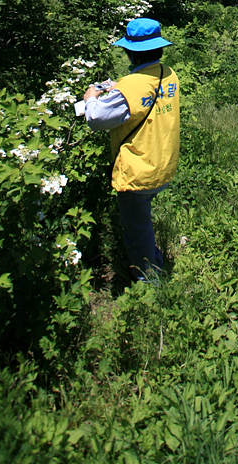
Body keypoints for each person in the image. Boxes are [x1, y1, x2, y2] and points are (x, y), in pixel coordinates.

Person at [83, 17, 180, 282]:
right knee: (142, 221)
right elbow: (144, 95)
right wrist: (120, 90)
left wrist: (91, 97)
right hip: (163, 163)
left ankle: (150, 282)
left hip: (138, 172)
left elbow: (96, 119)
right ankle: (155, 262)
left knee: (136, 231)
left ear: (130, 52)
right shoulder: (168, 73)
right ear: (159, 48)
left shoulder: (131, 87)